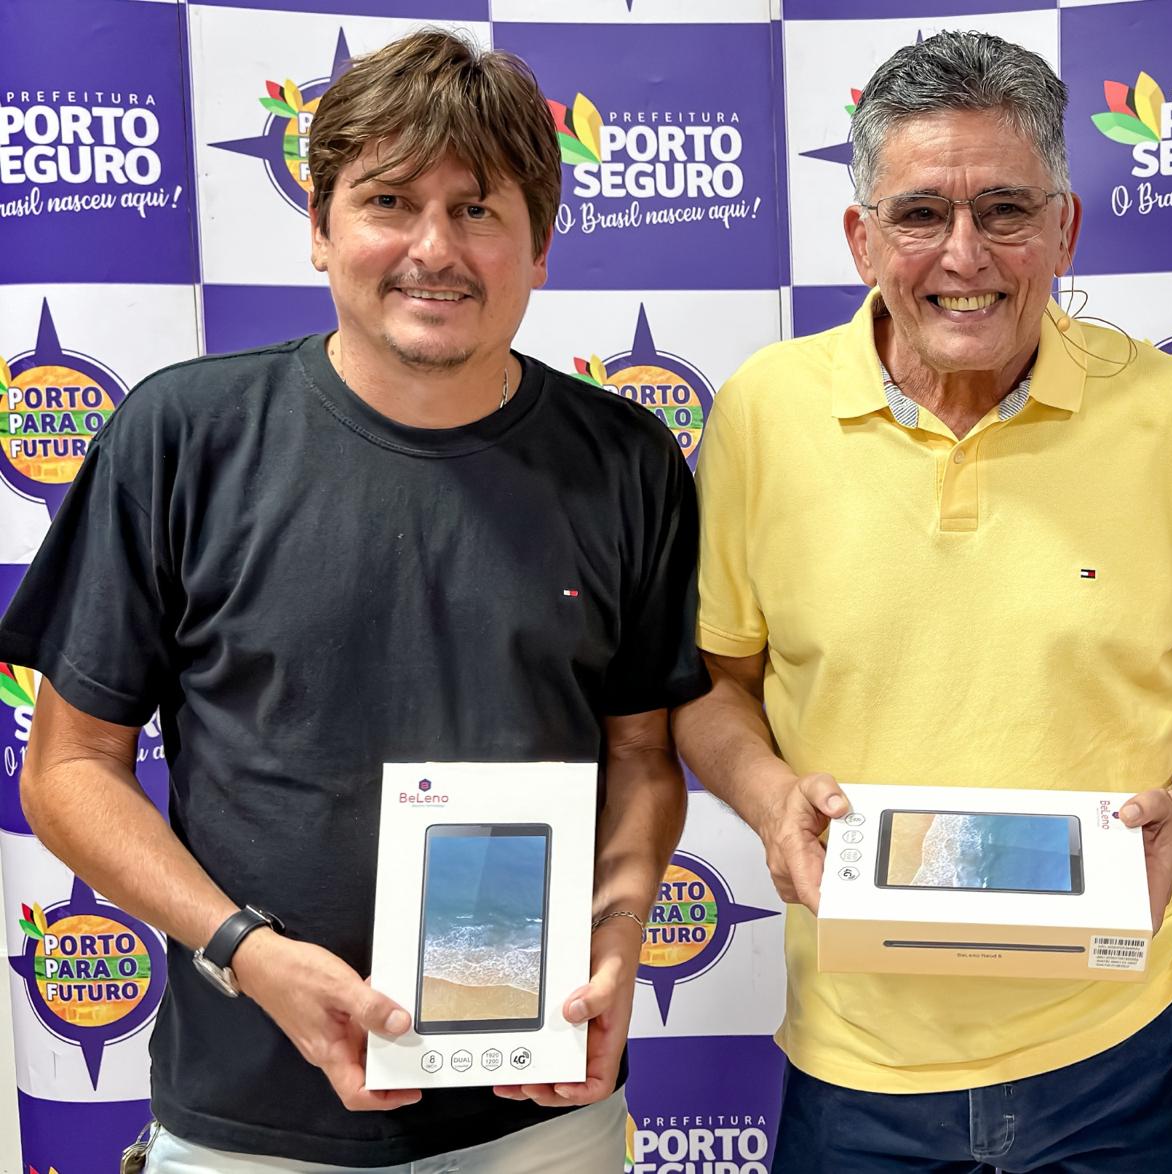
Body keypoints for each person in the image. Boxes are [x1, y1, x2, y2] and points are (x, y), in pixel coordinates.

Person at [0, 29, 708, 1174]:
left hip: (539, 1113)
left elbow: (640, 758)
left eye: (477, 209)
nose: (434, 249)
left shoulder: (627, 460)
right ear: (320, 228)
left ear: (539, 247)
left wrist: (620, 931)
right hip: (246, 1120)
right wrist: (246, 951)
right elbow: (68, 767)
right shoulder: (181, 438)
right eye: (388, 201)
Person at [674, 30, 1172, 1174]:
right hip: (856, 1066)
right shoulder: (761, 412)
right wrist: (766, 797)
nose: (963, 255)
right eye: (918, 214)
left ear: (1063, 228)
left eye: (1004, 210)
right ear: (859, 238)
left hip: (1117, 1051)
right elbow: (713, 683)